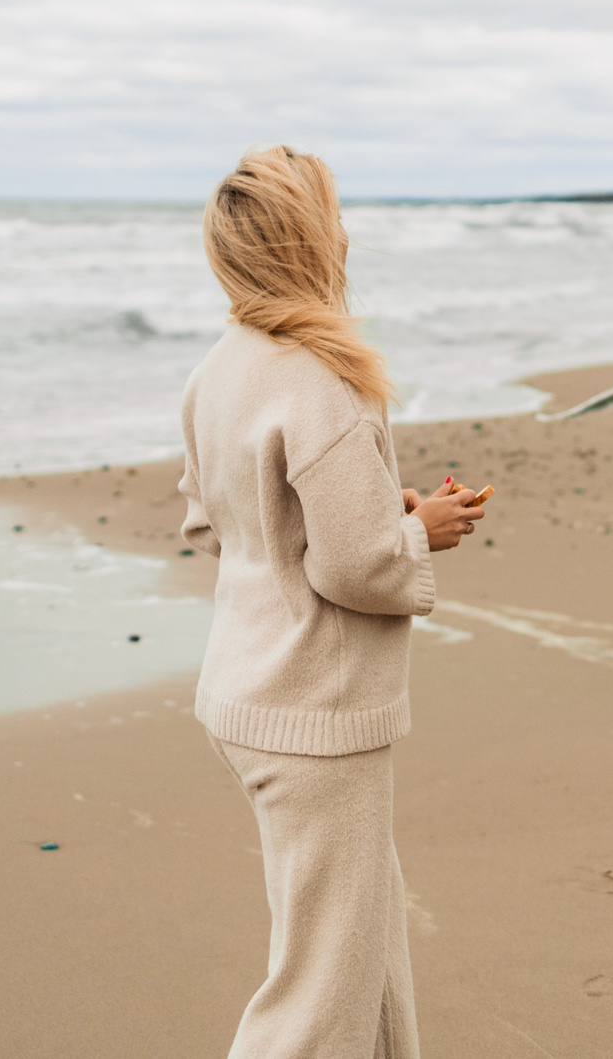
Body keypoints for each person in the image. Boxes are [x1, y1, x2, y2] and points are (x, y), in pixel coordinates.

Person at [179, 145, 487, 1059]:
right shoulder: (322, 375)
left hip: (246, 691)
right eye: (336, 215)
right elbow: (352, 569)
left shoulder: (219, 368)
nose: (347, 231)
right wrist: (419, 528)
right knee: (318, 985)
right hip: (314, 708)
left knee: (366, 942)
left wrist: (367, 508)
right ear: (310, 240)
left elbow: (217, 517)